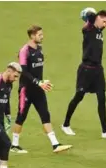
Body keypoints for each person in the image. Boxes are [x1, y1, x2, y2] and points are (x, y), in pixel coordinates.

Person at [11, 25, 72, 153]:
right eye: (39, 35)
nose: (42, 37)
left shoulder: (40, 49)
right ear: (32, 36)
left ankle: (55, 144)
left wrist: (43, 82)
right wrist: (38, 82)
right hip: (26, 90)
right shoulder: (24, 51)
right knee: (21, 116)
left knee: (45, 115)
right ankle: (14, 145)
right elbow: (24, 72)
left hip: (39, 89)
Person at [61, 8, 106, 139]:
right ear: (96, 19)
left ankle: (105, 131)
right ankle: (65, 124)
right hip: (86, 69)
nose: (105, 24)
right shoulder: (88, 29)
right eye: (103, 21)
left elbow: (94, 18)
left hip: (98, 70)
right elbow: (90, 15)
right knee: (79, 96)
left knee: (102, 98)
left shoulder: (99, 31)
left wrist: (98, 19)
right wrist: (92, 15)